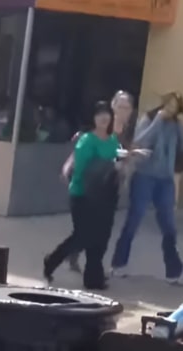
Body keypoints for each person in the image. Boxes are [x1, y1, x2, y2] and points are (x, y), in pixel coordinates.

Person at [45, 102, 144, 289]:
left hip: (106, 196)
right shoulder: (87, 140)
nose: (103, 117)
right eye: (99, 114)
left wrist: (128, 157)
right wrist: (110, 166)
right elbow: (82, 169)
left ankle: (93, 278)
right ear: (93, 118)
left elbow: (115, 160)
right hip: (84, 195)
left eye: (106, 113)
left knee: (101, 238)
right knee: (83, 236)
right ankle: (51, 262)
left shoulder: (113, 140)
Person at [110, 91, 183, 283]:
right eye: (169, 104)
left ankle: (174, 271)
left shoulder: (176, 124)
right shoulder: (149, 118)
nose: (171, 109)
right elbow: (140, 141)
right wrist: (158, 121)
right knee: (134, 220)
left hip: (165, 180)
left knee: (169, 225)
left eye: (175, 106)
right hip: (145, 177)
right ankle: (118, 264)